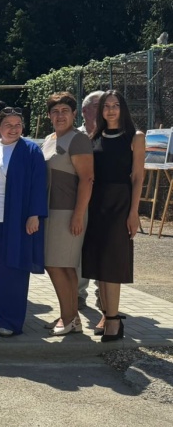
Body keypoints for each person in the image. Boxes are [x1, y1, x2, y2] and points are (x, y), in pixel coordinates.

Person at [0, 107, 48, 337]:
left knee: (12, 270)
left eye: (18, 125)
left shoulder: (30, 150)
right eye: (8, 125)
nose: (14, 129)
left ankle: (10, 321)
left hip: (11, 220)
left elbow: (39, 184)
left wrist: (34, 214)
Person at [82, 90, 145, 342]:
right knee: (99, 261)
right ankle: (107, 315)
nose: (110, 110)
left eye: (115, 105)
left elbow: (138, 177)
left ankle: (114, 320)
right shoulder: (94, 137)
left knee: (113, 261)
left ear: (123, 108)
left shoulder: (135, 137)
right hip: (96, 203)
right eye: (106, 106)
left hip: (120, 202)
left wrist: (134, 212)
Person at [41, 93, 94, 335]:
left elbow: (87, 179)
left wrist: (78, 215)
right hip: (50, 212)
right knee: (63, 267)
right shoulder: (49, 139)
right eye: (55, 111)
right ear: (49, 115)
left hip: (68, 212)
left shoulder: (78, 139)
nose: (60, 115)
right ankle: (70, 317)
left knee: (57, 265)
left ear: (74, 114)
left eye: (65, 111)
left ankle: (69, 317)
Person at [76, 90, 104, 308]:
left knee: (102, 248)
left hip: (104, 201)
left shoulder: (113, 135)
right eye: (97, 105)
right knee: (78, 247)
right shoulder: (74, 136)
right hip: (78, 200)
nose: (103, 109)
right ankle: (77, 294)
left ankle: (103, 293)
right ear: (84, 111)